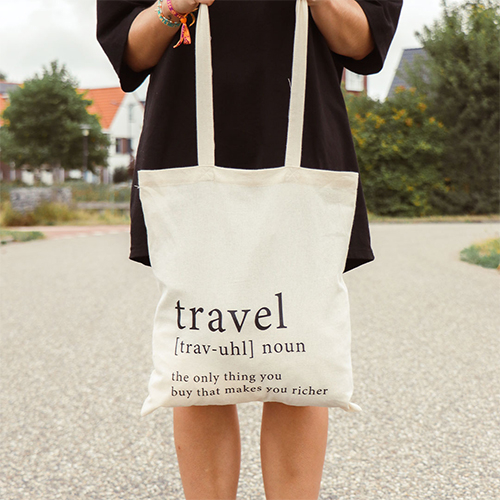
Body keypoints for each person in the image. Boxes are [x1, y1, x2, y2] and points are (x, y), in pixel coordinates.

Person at [97, 0, 402, 498]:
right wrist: (176, 5)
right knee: (203, 358)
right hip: (187, 146)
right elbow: (128, 50)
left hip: (301, 143)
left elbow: (363, 41)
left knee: (297, 354)